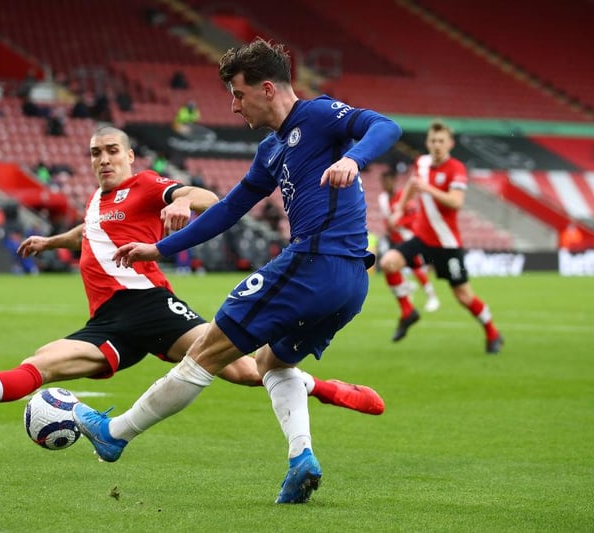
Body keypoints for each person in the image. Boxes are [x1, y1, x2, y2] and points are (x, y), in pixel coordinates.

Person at [72, 39, 402, 505]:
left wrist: (353, 158)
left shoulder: (322, 115)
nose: (232, 106)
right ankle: (300, 459)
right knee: (271, 363)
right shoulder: (270, 150)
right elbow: (227, 210)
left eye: (238, 94)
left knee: (208, 349)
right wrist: (159, 248)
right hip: (350, 285)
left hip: (314, 263)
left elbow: (386, 126)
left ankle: (116, 433)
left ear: (267, 89)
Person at [0, 126, 384, 421]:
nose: (104, 159)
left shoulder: (147, 184)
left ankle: (329, 390)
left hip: (151, 305)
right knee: (43, 361)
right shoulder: (97, 202)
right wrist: (53, 241)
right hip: (108, 320)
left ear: (129, 156)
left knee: (244, 369)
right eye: (95, 153)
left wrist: (182, 206)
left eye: (112, 150)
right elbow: (91, 232)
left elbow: (205, 198)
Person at [378, 120, 503, 353]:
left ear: (450, 144)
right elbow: (413, 186)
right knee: (388, 262)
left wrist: (429, 189)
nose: (436, 145)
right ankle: (408, 312)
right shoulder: (422, 163)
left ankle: (492, 332)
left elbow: (456, 202)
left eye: (441, 141)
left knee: (464, 296)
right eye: (433, 140)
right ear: (427, 142)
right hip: (422, 238)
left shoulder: (456, 169)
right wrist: (399, 209)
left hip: (447, 244)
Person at [378, 166, 439, 312]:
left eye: (389, 181)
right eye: (383, 181)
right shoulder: (383, 199)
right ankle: (406, 290)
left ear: (394, 181)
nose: (386, 184)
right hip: (394, 239)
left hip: (407, 238)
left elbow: (413, 216)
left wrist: (398, 222)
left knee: (417, 268)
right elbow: (387, 219)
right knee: (391, 267)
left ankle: (432, 296)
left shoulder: (402, 196)